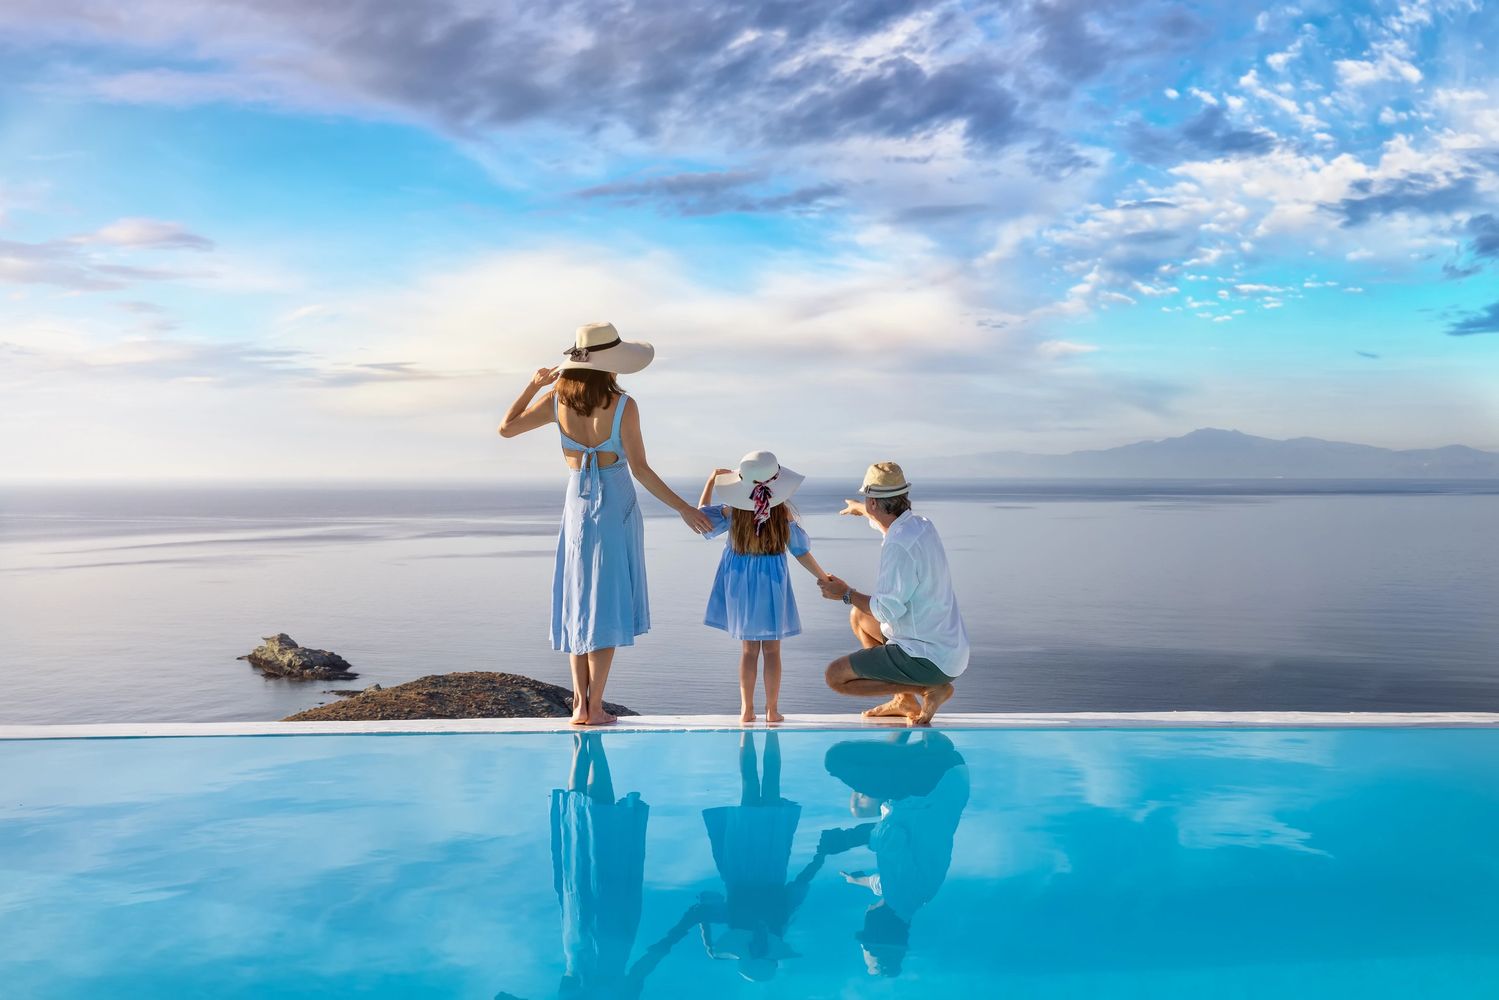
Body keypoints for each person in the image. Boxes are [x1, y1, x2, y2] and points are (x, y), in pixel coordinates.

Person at [499, 322, 712, 725]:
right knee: (607, 604)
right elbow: (643, 471)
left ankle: (580, 705)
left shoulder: (555, 399)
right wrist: (684, 508)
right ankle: (595, 707)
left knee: (579, 601)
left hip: (577, 504)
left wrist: (532, 386)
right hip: (615, 505)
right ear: (611, 364)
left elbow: (506, 429)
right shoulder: (624, 405)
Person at [817, 462, 970, 726]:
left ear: (874, 503)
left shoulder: (898, 546)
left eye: (868, 500)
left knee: (836, 677)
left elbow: (886, 610)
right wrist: (862, 510)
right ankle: (903, 701)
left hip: (926, 657)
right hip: (949, 649)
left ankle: (928, 690)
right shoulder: (921, 525)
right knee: (859, 617)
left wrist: (845, 593)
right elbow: (890, 526)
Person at [818, 731, 970, 978]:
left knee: (862, 808)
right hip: (931, 782)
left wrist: (857, 880)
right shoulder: (901, 892)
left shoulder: (914, 898)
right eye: (865, 930)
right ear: (876, 928)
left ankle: (919, 750)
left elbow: (882, 883)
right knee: (835, 760)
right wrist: (846, 839)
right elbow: (891, 836)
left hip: (950, 782)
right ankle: (921, 749)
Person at [697, 451, 829, 723]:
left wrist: (711, 481)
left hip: (740, 582)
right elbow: (801, 551)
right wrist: (823, 577)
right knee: (772, 650)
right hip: (772, 582)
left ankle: (746, 710)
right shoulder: (782, 514)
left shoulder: (732, 511)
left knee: (748, 650)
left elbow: (701, 521)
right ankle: (772, 709)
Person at [693, 731, 830, 982]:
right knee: (751, 785)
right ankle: (761, 731)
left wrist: (821, 856)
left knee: (767, 784)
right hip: (742, 862)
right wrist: (711, 946)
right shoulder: (738, 922)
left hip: (770, 856)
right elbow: (704, 907)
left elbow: (800, 884)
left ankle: (768, 733)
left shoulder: (779, 922)